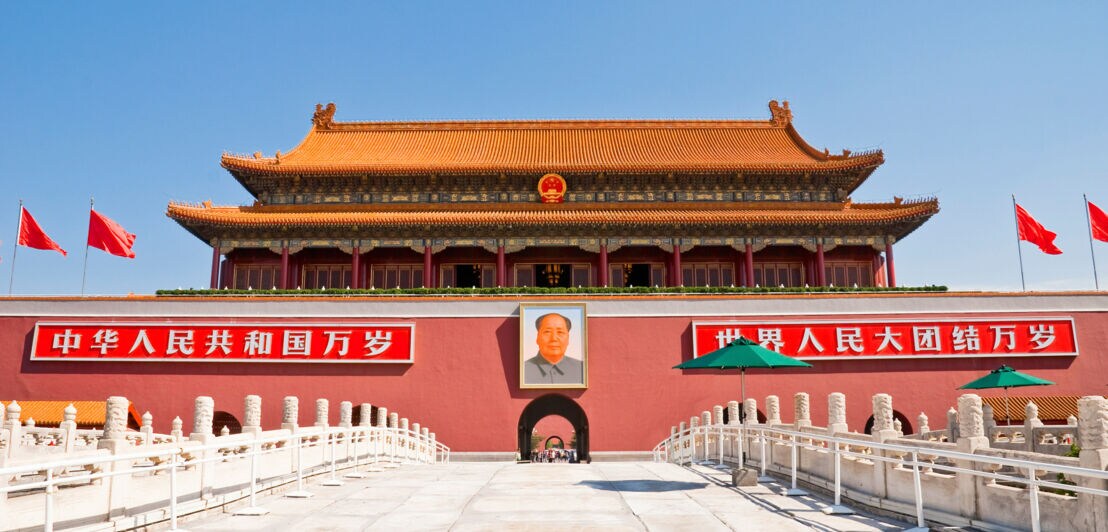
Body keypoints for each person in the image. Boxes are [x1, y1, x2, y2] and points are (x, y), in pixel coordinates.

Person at [523, 312, 583, 385]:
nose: (554, 338)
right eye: (547, 332)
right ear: (537, 338)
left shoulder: (582, 369)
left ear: (568, 339)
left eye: (560, 332)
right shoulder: (523, 370)